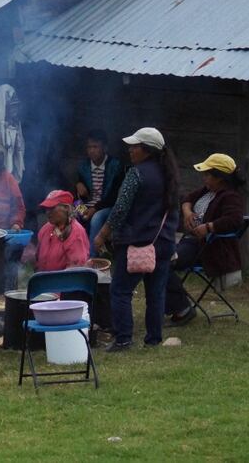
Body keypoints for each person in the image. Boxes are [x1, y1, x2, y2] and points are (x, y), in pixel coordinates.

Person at [94, 127, 179, 352]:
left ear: (147, 150)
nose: (130, 150)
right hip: (163, 241)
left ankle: (123, 339)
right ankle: (153, 339)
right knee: (156, 292)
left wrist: (102, 234)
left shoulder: (137, 173)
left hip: (136, 242)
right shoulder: (169, 174)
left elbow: (120, 208)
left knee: (120, 290)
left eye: (135, 146)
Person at [166, 153, 246, 326]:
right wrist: (187, 212)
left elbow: (234, 219)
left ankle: (182, 309)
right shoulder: (207, 191)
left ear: (220, 178)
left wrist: (209, 227)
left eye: (208, 175)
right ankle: (176, 306)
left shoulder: (229, 197)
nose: (204, 178)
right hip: (192, 242)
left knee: (164, 263)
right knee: (159, 259)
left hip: (209, 248)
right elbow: (187, 199)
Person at [75, 130, 123, 255]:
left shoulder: (115, 166)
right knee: (72, 213)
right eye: (89, 147)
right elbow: (77, 194)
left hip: (106, 207)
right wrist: (78, 185)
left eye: (95, 147)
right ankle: (76, 253)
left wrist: (95, 209)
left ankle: (92, 257)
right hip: (87, 206)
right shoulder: (84, 166)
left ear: (104, 148)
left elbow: (114, 196)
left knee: (96, 219)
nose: (91, 150)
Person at [21, 190, 89, 272]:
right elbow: (38, 261)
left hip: (65, 283)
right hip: (43, 281)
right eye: (46, 209)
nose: (47, 212)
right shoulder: (45, 229)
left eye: (52, 208)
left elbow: (76, 269)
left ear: (66, 208)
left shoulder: (76, 233)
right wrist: (30, 256)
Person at [0, 84, 24, 182]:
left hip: (11, 174)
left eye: (16, 106)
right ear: (4, 105)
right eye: (12, 106)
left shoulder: (15, 123)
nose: (15, 109)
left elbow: (19, 149)